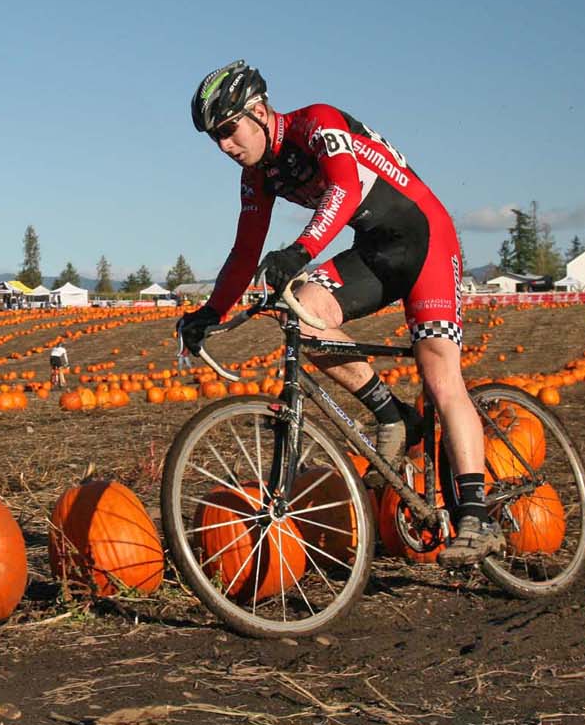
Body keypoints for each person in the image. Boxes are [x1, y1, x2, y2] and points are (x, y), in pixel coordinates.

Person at [176, 60, 503, 566]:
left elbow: (345, 190)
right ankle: (392, 413)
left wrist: (301, 251)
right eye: (214, 139)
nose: (224, 146)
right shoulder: (256, 178)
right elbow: (245, 251)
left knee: (439, 373)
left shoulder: (317, 123)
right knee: (301, 311)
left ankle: (477, 518)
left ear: (259, 112)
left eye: (228, 130)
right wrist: (210, 311)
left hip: (426, 238)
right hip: (376, 250)